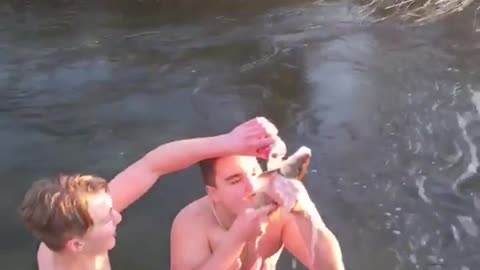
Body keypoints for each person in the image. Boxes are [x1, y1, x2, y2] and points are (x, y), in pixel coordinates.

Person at [19, 117, 279, 270]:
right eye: (108, 218)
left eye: (112, 208)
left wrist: (230, 142)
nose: (118, 216)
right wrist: (237, 241)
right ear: (77, 245)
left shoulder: (69, 227)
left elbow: (153, 164)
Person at [170, 145, 344, 270]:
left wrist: (302, 210)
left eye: (254, 172)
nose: (252, 186)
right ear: (213, 193)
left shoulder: (279, 204)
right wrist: (235, 240)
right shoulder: (192, 222)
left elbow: (328, 266)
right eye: (235, 180)